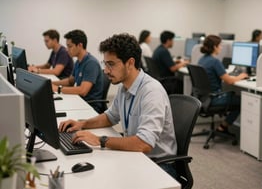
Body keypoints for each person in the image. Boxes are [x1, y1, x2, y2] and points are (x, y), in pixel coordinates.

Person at [58, 33, 177, 176]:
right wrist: (81, 124)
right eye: (105, 64)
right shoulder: (124, 86)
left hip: (159, 165)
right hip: (136, 155)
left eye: (111, 64)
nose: (106, 70)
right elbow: (110, 117)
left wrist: (99, 140)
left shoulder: (151, 92)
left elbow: (144, 144)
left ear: (130, 63)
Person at [198, 35, 248, 133]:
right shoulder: (215, 62)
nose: (221, 48)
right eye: (219, 45)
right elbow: (229, 81)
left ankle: (223, 125)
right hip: (214, 98)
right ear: (214, 47)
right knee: (242, 101)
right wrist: (241, 76)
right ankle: (223, 126)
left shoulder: (202, 59)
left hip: (204, 98)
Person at [51, 29, 104, 113]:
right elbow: (70, 81)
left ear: (79, 45)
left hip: (89, 106)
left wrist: (58, 89)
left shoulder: (91, 63)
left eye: (70, 46)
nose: (67, 49)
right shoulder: (78, 61)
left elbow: (83, 91)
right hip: (79, 100)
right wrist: (51, 83)